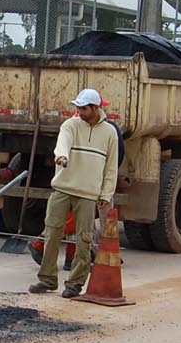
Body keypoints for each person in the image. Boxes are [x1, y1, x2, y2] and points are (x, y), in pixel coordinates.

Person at [30, 88, 119, 298]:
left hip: (88, 194)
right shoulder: (70, 125)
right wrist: (61, 156)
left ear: (95, 108)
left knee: (84, 239)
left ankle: (75, 284)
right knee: (52, 233)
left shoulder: (109, 133)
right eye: (78, 107)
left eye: (84, 108)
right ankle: (47, 279)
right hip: (62, 189)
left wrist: (106, 195)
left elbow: (111, 167)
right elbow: (63, 142)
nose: (79, 111)